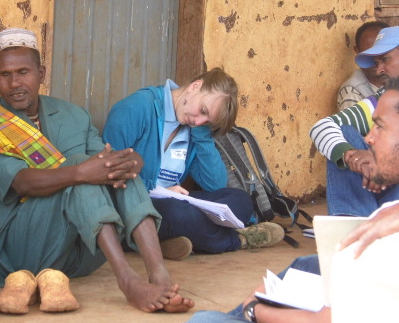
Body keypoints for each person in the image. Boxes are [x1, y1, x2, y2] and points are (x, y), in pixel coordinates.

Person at [0, 28, 194, 314]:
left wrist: (134, 161)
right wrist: (80, 173)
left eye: (23, 72)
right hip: (15, 249)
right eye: (5, 75)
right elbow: (22, 183)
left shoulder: (73, 114)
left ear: (41, 73)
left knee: (117, 170)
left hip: (77, 254)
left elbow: (106, 162)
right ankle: (128, 281)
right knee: (82, 171)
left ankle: (159, 275)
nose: (15, 82)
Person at [176, 78, 399, 323]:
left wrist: (255, 309)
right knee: (305, 267)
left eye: (381, 127)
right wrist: (351, 154)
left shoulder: (389, 235)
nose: (369, 137)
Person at [102, 69, 284, 257]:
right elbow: (109, 174)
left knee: (240, 200)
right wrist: (157, 192)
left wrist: (202, 134)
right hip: (135, 206)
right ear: (195, 87)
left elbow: (215, 184)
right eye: (203, 111)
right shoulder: (136, 108)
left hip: (174, 203)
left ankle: (168, 241)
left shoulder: (193, 126)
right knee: (179, 213)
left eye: (207, 121)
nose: (198, 121)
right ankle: (238, 240)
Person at [310, 25, 399, 216]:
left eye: (385, 59)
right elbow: (321, 127)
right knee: (344, 132)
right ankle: (352, 224)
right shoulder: (384, 99)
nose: (380, 69)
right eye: (376, 62)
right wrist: (349, 155)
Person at [336, 21, 387, 111]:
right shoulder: (352, 93)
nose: (376, 59)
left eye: (382, 52)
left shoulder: (391, 79)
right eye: (369, 53)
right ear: (358, 51)